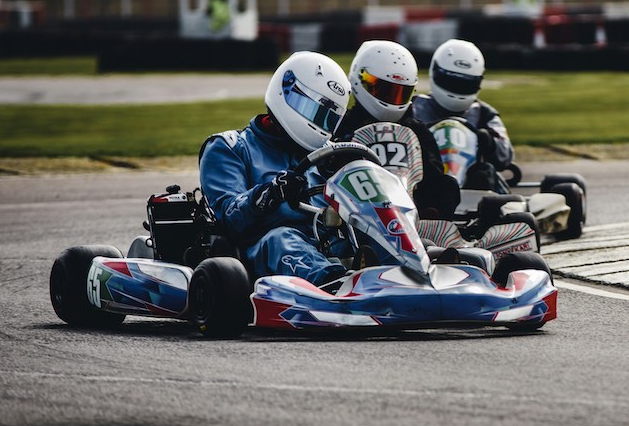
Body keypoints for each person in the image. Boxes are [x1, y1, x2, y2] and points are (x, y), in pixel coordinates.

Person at [199, 51, 351, 285]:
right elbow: (230, 218)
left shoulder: (331, 154)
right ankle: (334, 286)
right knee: (283, 238)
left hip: (326, 241)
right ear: (286, 93)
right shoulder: (230, 147)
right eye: (312, 110)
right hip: (262, 250)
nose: (318, 124)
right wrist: (269, 193)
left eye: (326, 118)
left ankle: (403, 273)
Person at [334, 39, 459, 219]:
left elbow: (434, 177)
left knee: (448, 185)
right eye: (384, 90)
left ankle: (420, 223)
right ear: (360, 80)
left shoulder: (417, 131)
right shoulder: (343, 126)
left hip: (412, 212)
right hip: (354, 211)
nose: (391, 99)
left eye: (400, 93)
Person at [409, 38, 514, 176]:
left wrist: (489, 142)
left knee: (487, 173)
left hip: (471, 182)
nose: (457, 89)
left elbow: (505, 157)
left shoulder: (484, 113)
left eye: (464, 84)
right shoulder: (413, 108)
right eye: (451, 82)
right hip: (422, 179)